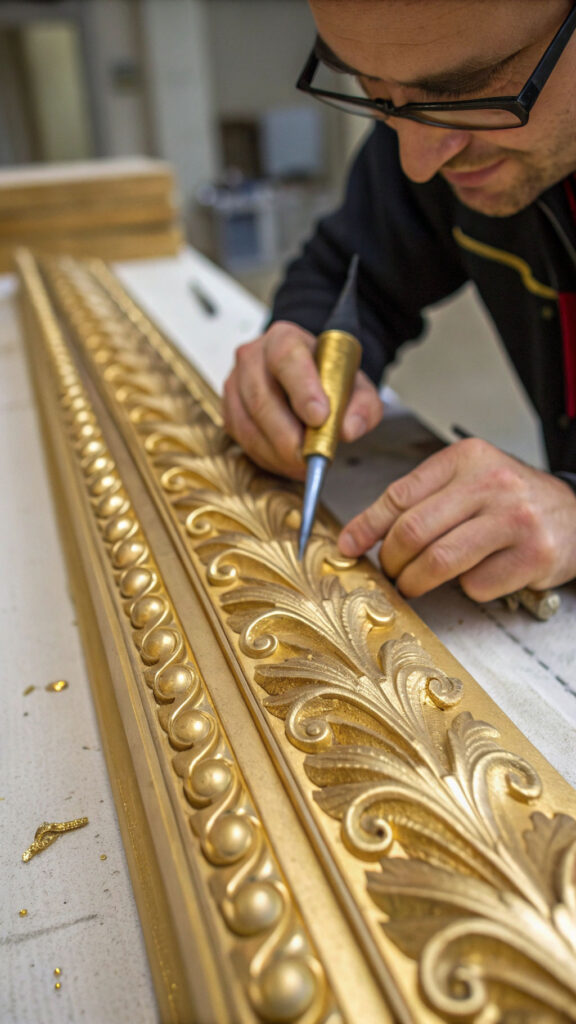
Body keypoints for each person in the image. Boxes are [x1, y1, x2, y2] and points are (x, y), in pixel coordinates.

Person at [222, 0, 576, 603]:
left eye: (470, 91)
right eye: (372, 88)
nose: (418, 162)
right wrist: (306, 345)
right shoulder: (428, 121)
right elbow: (350, 272)